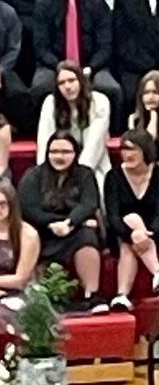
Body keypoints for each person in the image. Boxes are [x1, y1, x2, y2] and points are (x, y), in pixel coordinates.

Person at [31, 0, 123, 124]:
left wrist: (90, 68)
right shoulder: (45, 3)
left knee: (111, 88)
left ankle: (110, 135)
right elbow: (41, 47)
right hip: (54, 66)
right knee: (40, 87)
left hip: (92, 66)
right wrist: (60, 69)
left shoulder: (97, 2)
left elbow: (105, 45)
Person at [18, 130, 103, 308]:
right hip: (43, 231)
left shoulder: (85, 174)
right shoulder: (33, 176)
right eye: (54, 152)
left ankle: (91, 295)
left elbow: (89, 204)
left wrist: (70, 222)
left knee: (87, 235)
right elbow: (29, 208)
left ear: (75, 154)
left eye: (65, 152)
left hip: (74, 230)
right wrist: (53, 223)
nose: (59, 157)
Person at [104, 126, 159, 312]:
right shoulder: (114, 176)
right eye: (125, 149)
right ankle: (158, 274)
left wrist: (146, 234)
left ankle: (122, 295)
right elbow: (113, 216)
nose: (128, 154)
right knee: (130, 224)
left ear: (146, 150)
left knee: (132, 232)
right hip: (121, 235)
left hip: (155, 235)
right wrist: (132, 235)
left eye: (134, 149)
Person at [35, 58, 110, 181]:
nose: (67, 86)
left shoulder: (100, 102)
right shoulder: (50, 103)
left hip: (93, 165)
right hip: (58, 163)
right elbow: (44, 140)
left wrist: (77, 176)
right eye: (62, 83)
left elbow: (95, 145)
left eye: (71, 80)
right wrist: (44, 173)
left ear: (81, 81)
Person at [0, 178, 39, 297]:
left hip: (18, 294)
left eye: (2, 204)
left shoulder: (27, 234)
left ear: (11, 204)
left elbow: (20, 280)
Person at [0, 0, 29, 132]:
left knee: (18, 93)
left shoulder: (7, 12)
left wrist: (1, 69)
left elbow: (14, 48)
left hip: (3, 67)